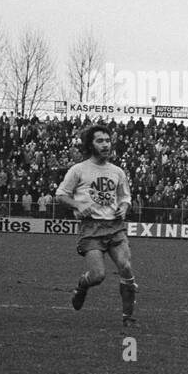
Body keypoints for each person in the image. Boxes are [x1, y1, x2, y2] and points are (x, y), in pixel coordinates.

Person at [57, 124, 138, 325]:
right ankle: (82, 287)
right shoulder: (78, 170)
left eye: (108, 140)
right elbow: (60, 194)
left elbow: (125, 196)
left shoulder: (117, 171)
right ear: (90, 145)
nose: (105, 145)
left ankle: (128, 317)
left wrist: (124, 207)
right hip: (91, 228)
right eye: (99, 141)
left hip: (115, 226)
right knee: (97, 275)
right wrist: (77, 204)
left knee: (126, 268)